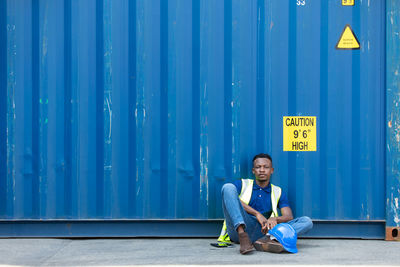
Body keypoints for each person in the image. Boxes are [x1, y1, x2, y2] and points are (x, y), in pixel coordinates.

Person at [218, 153, 313, 254]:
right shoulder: (242, 184)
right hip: (239, 231)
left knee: (306, 221)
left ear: (271, 170)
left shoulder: (278, 191)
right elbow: (230, 197)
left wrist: (275, 219)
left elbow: (288, 216)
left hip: (264, 232)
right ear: (253, 170)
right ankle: (243, 236)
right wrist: (257, 214)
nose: (262, 170)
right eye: (258, 167)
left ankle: (271, 240)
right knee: (227, 187)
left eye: (266, 167)